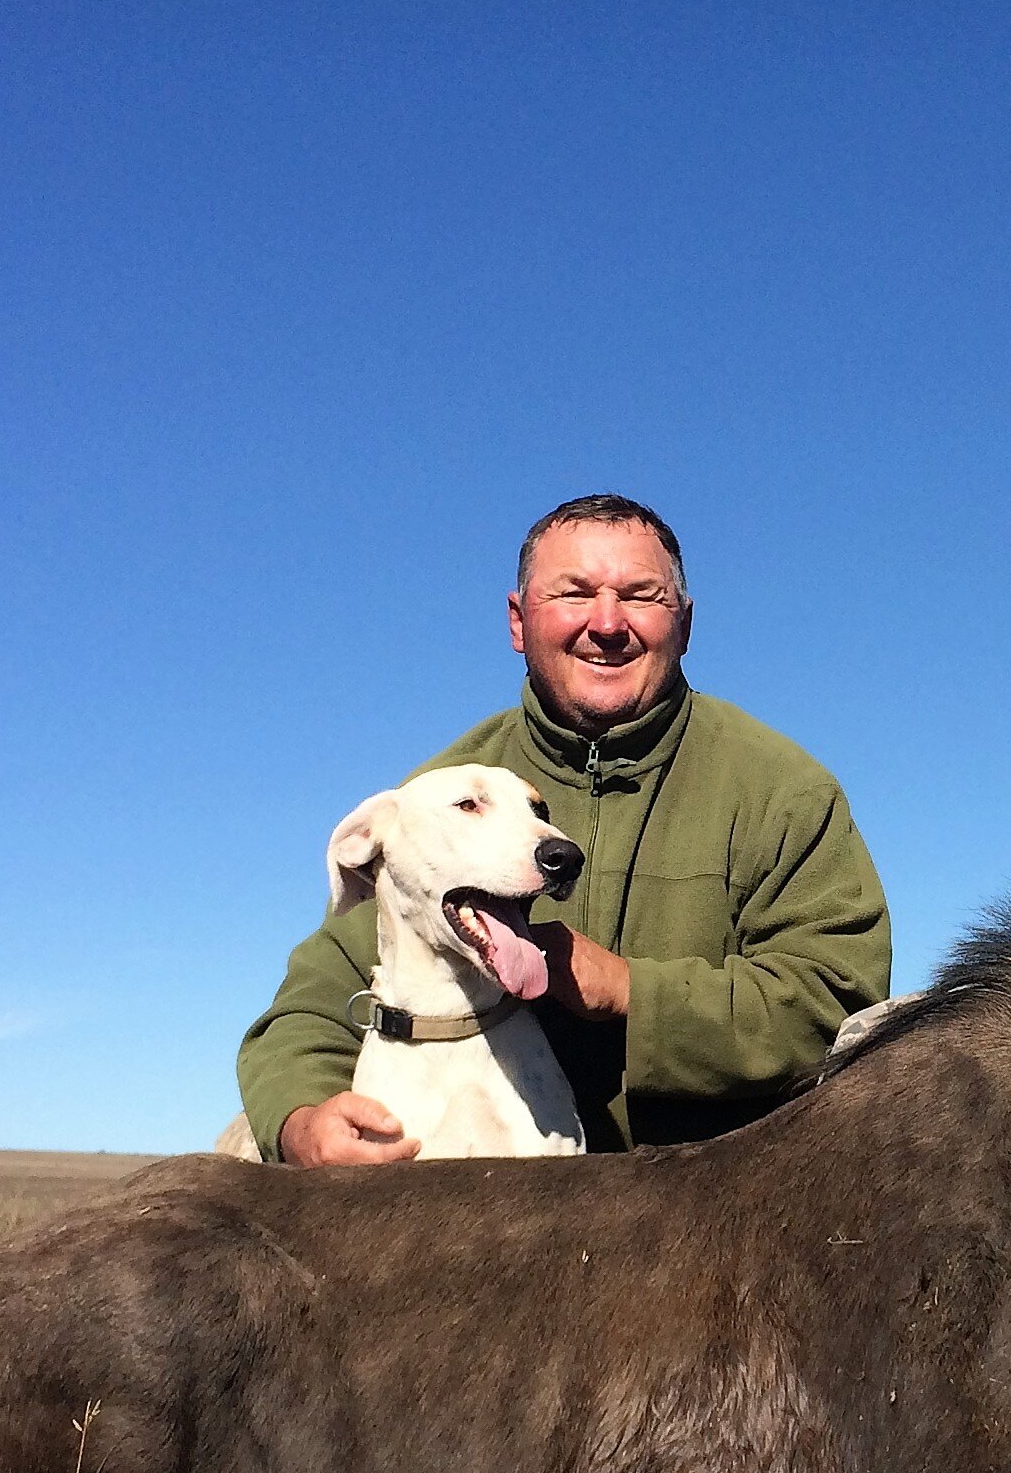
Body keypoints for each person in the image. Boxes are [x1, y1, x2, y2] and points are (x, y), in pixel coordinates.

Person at [239, 494, 890, 1161]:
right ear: (519, 621)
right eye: (573, 594)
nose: (607, 624)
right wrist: (302, 1123)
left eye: (641, 596)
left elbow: (838, 1008)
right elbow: (309, 1011)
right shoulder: (432, 801)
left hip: (719, 1208)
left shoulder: (780, 790)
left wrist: (630, 992)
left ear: (686, 624)